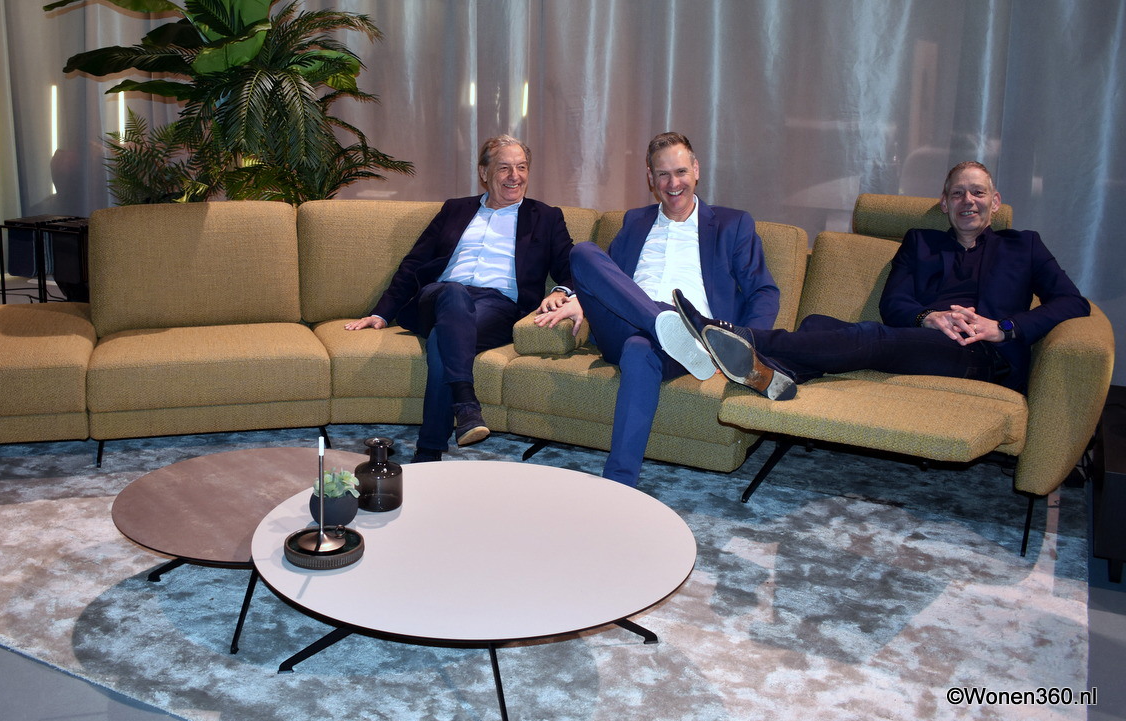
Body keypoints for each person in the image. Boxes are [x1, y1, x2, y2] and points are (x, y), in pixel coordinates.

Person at [661, 160, 1090, 400]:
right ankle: (778, 376)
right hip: (926, 341)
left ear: (995, 202)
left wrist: (1004, 328)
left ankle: (734, 335)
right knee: (818, 324)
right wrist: (927, 317)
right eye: (957, 193)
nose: (968, 201)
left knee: (867, 336)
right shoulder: (920, 242)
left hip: (982, 355)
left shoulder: (1024, 246)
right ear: (944, 203)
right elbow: (894, 303)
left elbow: (1073, 302)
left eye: (978, 192)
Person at [542, 131, 780, 487]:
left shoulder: (732, 224)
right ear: (651, 179)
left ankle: (618, 484)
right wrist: (579, 298)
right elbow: (607, 278)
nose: (673, 183)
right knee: (584, 252)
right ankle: (662, 323)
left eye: (681, 172)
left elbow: (763, 290)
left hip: (690, 337)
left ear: (696, 170)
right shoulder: (634, 222)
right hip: (624, 324)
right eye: (663, 174)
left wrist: (744, 345)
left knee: (640, 351)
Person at [345, 135, 581, 462]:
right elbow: (415, 262)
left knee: (443, 339)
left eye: (522, 167)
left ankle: (429, 450)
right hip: (439, 296)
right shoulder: (455, 209)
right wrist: (382, 312)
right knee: (453, 294)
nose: (515, 176)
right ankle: (465, 402)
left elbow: (572, 266)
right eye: (504, 168)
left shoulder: (546, 216)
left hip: (498, 306)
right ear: (484, 172)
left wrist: (561, 290)